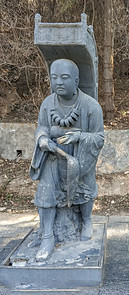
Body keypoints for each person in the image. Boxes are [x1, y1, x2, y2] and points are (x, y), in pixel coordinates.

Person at [30, 59, 104, 262]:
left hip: (79, 157)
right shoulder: (48, 103)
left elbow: (99, 137)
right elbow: (42, 127)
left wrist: (79, 137)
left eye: (64, 77)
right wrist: (43, 139)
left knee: (85, 189)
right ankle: (47, 237)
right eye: (54, 78)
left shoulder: (91, 106)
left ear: (76, 80)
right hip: (53, 157)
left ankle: (86, 220)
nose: (59, 82)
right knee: (45, 193)